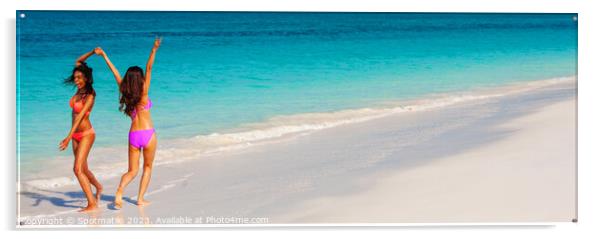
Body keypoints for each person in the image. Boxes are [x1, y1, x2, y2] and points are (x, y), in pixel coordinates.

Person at [96, 37, 161, 208]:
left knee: (132, 170)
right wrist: (154, 49)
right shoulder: (144, 93)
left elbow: (115, 72)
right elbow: (149, 67)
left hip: (133, 135)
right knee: (147, 167)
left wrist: (104, 55)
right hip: (148, 134)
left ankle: (120, 190)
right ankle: (140, 199)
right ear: (140, 79)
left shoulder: (125, 92)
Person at [59, 50, 103, 212]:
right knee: (83, 169)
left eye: (79, 78)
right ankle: (98, 187)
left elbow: (79, 118)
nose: (76, 80)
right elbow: (78, 60)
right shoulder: (79, 90)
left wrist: (67, 137)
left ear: (85, 77)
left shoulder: (90, 95)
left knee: (77, 169)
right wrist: (93, 52)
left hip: (86, 134)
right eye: (75, 77)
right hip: (75, 135)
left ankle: (91, 203)